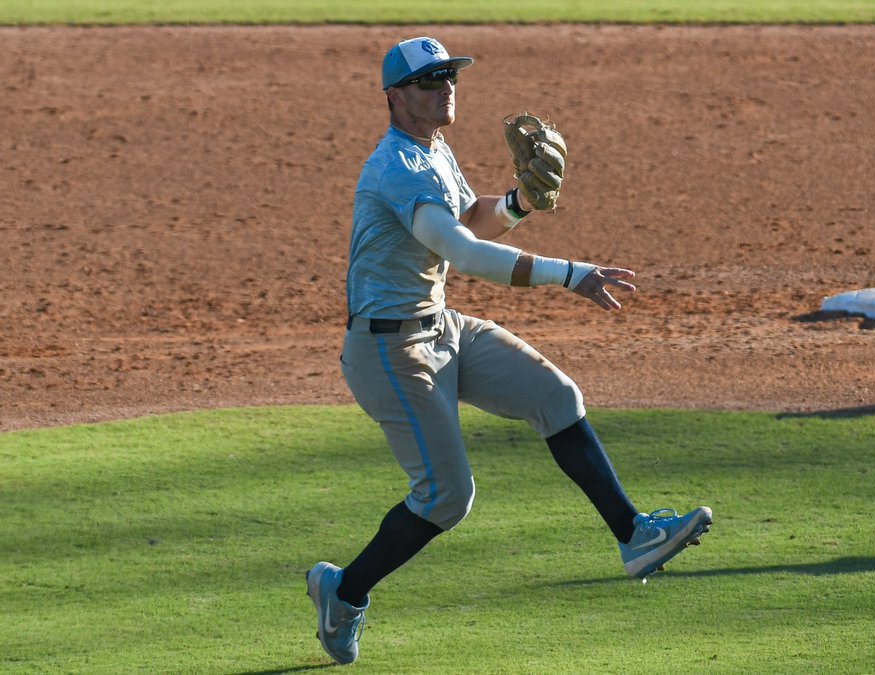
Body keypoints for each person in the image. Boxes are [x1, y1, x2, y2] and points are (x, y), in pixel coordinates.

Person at [305, 36, 712, 665]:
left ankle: (634, 537)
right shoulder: (397, 168)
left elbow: (468, 216)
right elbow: (462, 252)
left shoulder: (434, 149)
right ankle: (344, 592)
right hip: (390, 352)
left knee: (557, 397)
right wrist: (570, 274)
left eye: (450, 76)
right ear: (395, 96)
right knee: (446, 497)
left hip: (439, 325)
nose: (446, 87)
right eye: (429, 80)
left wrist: (519, 205)